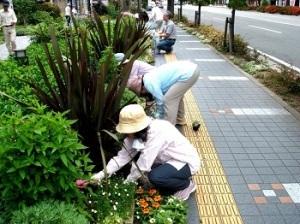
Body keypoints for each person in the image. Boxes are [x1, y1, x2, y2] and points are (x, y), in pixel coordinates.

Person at [91, 104, 201, 200]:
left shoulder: (157, 131)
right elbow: (121, 158)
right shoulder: (135, 134)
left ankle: (186, 185)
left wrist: (127, 184)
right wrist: (100, 175)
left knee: (155, 177)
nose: (126, 134)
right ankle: (173, 176)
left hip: (184, 162)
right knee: (145, 172)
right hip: (166, 160)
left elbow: (144, 163)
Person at [127, 60, 200, 126]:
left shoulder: (149, 84)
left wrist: (159, 119)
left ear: (142, 88)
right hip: (191, 69)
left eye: (141, 93)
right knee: (176, 96)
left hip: (188, 74)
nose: (144, 94)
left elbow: (160, 101)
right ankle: (180, 119)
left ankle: (169, 127)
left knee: (168, 99)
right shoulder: (148, 76)